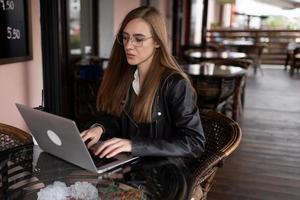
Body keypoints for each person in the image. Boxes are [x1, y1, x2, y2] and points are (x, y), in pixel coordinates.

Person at [80, 6, 205, 159]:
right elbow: (116, 118)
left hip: (164, 174)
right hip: (128, 169)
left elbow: (194, 143)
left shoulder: (175, 84)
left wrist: (133, 145)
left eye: (138, 39)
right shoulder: (125, 76)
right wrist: (100, 128)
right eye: (125, 37)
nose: (128, 46)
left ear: (157, 42)